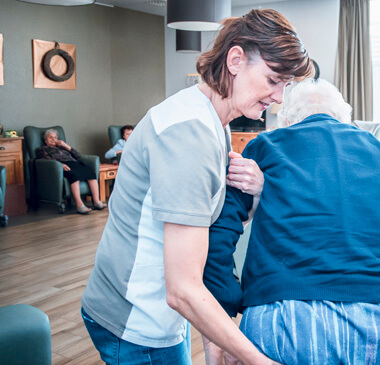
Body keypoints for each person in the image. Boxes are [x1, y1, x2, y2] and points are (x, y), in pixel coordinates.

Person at [80, 9, 311, 365]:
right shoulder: (190, 135)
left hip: (158, 311)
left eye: (285, 85)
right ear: (236, 60)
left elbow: (207, 240)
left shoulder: (212, 121)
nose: (279, 97)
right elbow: (183, 290)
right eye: (273, 80)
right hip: (136, 321)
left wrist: (216, 344)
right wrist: (259, 360)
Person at [205, 78, 380, 364]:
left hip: (287, 318)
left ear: (287, 121)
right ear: (347, 120)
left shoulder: (266, 146)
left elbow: (219, 227)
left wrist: (230, 299)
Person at [35, 129, 106, 214]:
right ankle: (79, 205)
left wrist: (65, 145)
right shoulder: (42, 149)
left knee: (91, 173)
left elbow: (78, 155)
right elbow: (46, 160)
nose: (53, 139)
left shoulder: (62, 147)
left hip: (74, 163)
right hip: (61, 166)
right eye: (50, 137)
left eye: (55, 137)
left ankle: (96, 202)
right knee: (74, 176)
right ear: (45, 140)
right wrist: (60, 165)